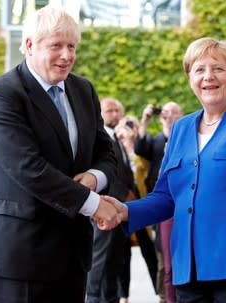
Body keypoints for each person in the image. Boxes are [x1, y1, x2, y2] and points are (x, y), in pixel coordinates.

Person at [101, 37, 226, 303]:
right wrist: (125, 211)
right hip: (189, 272)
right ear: (190, 79)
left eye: (218, 68)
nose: (208, 77)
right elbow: (166, 197)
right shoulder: (181, 129)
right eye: (199, 70)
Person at [0, 6, 119, 303]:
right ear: (29, 45)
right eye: (56, 45)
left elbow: (106, 150)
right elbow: (28, 168)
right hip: (22, 256)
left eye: (72, 46)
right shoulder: (1, 95)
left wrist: (95, 177)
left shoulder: (83, 90)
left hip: (73, 254)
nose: (67, 55)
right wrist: (93, 204)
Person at [86, 98, 137, 303]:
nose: (114, 114)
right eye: (109, 110)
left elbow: (125, 172)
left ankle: (110, 298)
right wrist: (122, 197)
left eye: (117, 110)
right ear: (99, 113)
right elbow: (107, 175)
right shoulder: (98, 140)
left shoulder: (117, 138)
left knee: (116, 261)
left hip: (121, 210)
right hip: (106, 208)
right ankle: (94, 299)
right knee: (101, 261)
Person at [135, 101, 183, 303]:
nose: (168, 115)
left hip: (181, 201)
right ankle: (165, 297)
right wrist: (144, 121)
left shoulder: (185, 138)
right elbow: (139, 148)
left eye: (173, 112)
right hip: (161, 202)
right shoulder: (155, 141)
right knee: (164, 257)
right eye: (165, 111)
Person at [114, 115, 159, 303]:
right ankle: (123, 296)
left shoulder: (141, 150)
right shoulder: (113, 148)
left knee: (149, 250)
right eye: (124, 125)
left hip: (141, 205)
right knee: (123, 254)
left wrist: (133, 144)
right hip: (122, 206)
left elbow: (145, 168)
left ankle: (158, 292)